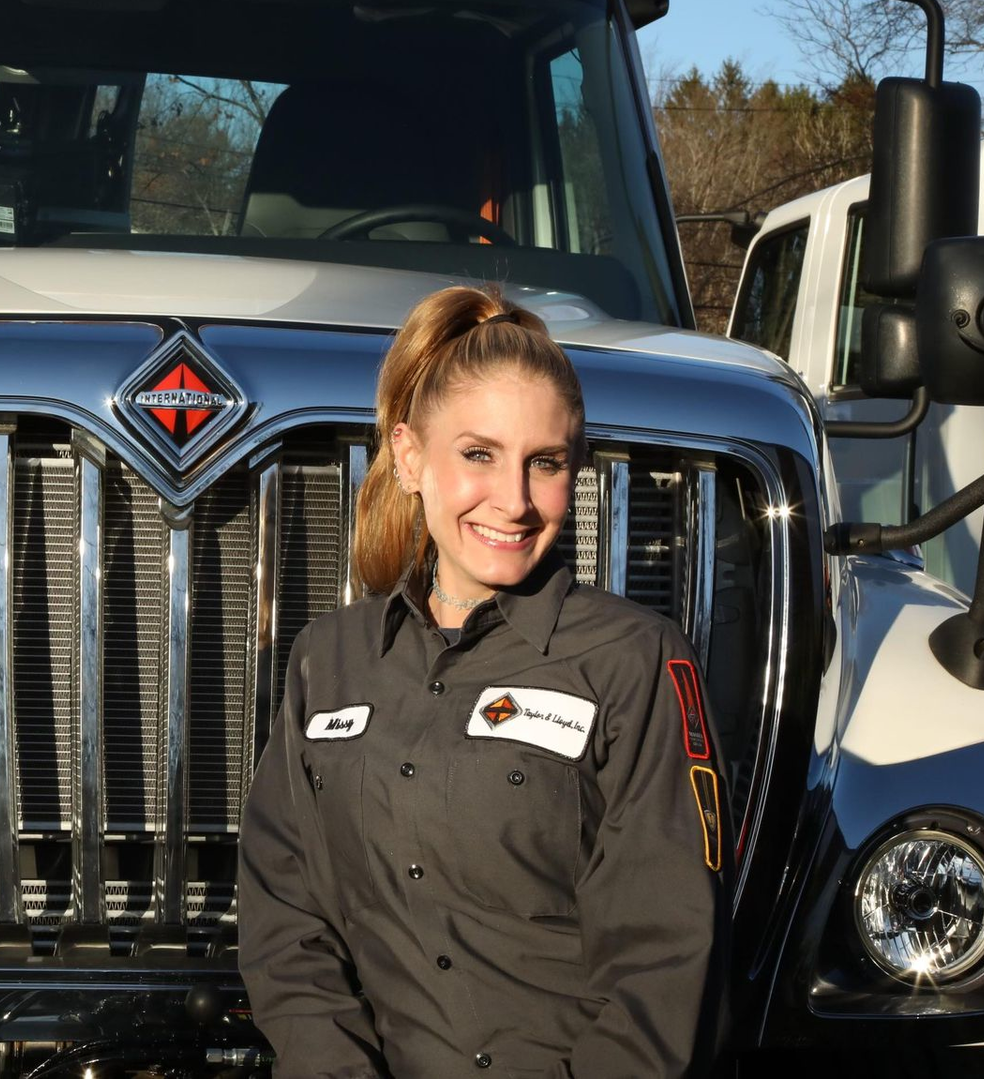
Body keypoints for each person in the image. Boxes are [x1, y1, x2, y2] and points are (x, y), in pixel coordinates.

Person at [238, 286, 728, 1078]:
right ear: (410, 457)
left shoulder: (635, 662)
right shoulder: (328, 660)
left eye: (546, 463)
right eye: (479, 454)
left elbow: (665, 969)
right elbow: (285, 920)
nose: (515, 500)